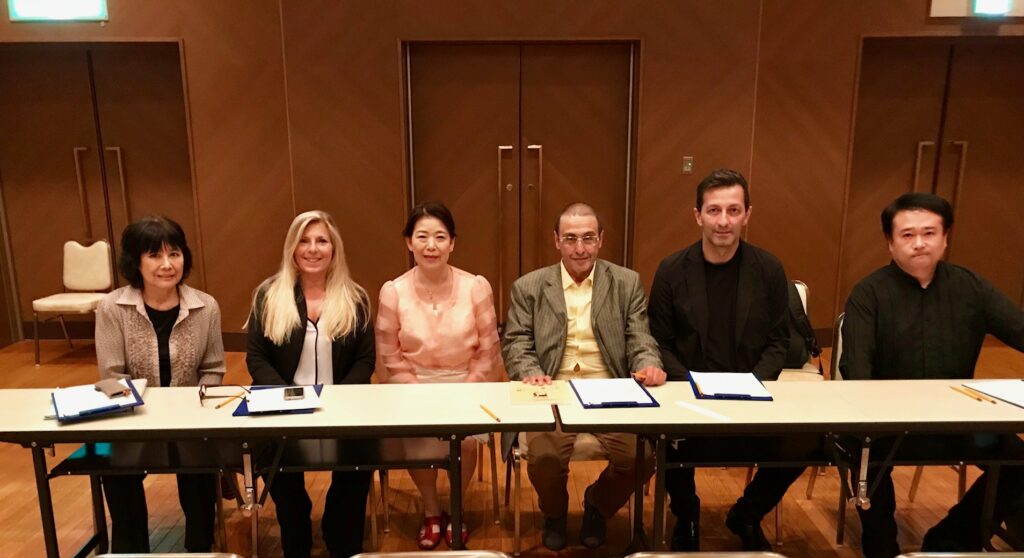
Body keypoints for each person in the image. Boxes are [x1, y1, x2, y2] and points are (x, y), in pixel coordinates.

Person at [841, 192, 1024, 557]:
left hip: (958, 421)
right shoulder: (869, 294)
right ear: (890, 242)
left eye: (929, 233)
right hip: (887, 424)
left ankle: (951, 538)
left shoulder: (971, 288)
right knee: (863, 452)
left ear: (945, 238)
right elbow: (856, 370)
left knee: (1019, 461)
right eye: (907, 235)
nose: (920, 243)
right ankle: (882, 549)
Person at [648, 168, 809, 551]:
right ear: (698, 215)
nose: (723, 221)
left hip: (752, 391)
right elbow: (660, 341)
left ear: (747, 214)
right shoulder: (671, 270)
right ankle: (686, 513)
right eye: (714, 210)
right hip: (687, 394)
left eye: (733, 210)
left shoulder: (769, 269)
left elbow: (778, 341)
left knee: (805, 441)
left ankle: (747, 513)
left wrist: (750, 385)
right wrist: (691, 385)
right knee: (660, 435)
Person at [502, 202, 666, 551]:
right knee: (545, 459)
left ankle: (597, 505)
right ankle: (555, 513)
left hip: (609, 391)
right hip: (553, 391)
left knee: (642, 457)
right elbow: (516, 341)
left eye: (588, 238)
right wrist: (530, 372)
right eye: (571, 238)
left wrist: (648, 363)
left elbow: (639, 337)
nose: (580, 248)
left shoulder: (625, 283)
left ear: (601, 239)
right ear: (556, 241)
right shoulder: (529, 286)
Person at [247, 210, 375, 558]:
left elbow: (365, 361)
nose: (313, 249)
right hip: (283, 409)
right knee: (277, 472)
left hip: (341, 408)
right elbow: (256, 359)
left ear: (334, 249)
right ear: (292, 248)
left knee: (358, 464)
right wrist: (289, 399)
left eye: (322, 241)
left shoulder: (356, 298)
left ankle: (340, 534)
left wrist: (337, 401)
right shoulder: (267, 296)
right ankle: (297, 536)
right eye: (304, 241)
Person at [375, 201, 501, 549]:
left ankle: (457, 508)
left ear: (452, 243)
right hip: (413, 384)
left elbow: (489, 349)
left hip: (467, 383)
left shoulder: (476, 286)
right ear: (409, 242)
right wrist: (417, 392)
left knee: (468, 440)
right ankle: (431, 510)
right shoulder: (393, 291)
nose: (431, 246)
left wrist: (468, 388)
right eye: (422, 237)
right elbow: (389, 354)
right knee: (416, 438)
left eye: (440, 237)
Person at [95, 216, 224, 553]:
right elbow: (111, 375)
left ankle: (200, 548)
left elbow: (213, 369)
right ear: (135, 262)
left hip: (190, 419)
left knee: (200, 469)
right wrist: (145, 413)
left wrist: (191, 410)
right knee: (115, 467)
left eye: (174, 254)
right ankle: (131, 550)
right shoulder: (112, 308)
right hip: (132, 419)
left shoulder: (206, 306)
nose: (167, 264)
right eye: (154, 255)